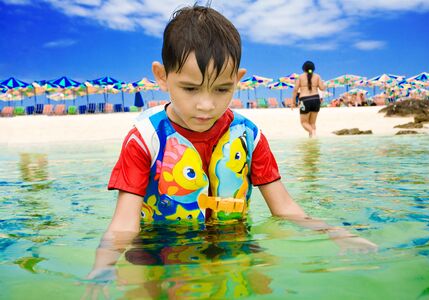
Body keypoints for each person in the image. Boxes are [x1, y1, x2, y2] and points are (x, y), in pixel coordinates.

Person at [86, 5, 377, 287]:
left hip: (233, 239)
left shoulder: (249, 137)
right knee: (137, 289)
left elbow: (285, 208)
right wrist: (103, 265)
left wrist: (336, 233)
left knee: (266, 283)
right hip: (160, 245)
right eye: (190, 88)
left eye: (222, 89)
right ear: (162, 76)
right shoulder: (145, 139)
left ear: (237, 80)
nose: (206, 104)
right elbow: (124, 224)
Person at [291, 61, 326, 138]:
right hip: (316, 99)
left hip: (305, 100)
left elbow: (295, 90)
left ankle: (312, 133)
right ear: (313, 68)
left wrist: (293, 102)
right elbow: (322, 88)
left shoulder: (300, 77)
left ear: (304, 68)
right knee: (312, 123)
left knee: (304, 122)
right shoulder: (317, 76)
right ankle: (312, 138)